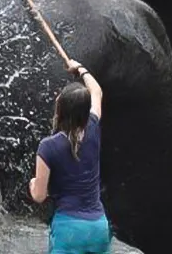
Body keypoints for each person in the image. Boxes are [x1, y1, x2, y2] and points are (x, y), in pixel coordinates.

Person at [28, 58, 109, 254]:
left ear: (60, 109)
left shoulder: (48, 147)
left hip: (69, 231)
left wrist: (32, 183)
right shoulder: (93, 128)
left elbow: (39, 196)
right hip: (99, 227)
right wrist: (80, 68)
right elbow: (97, 91)